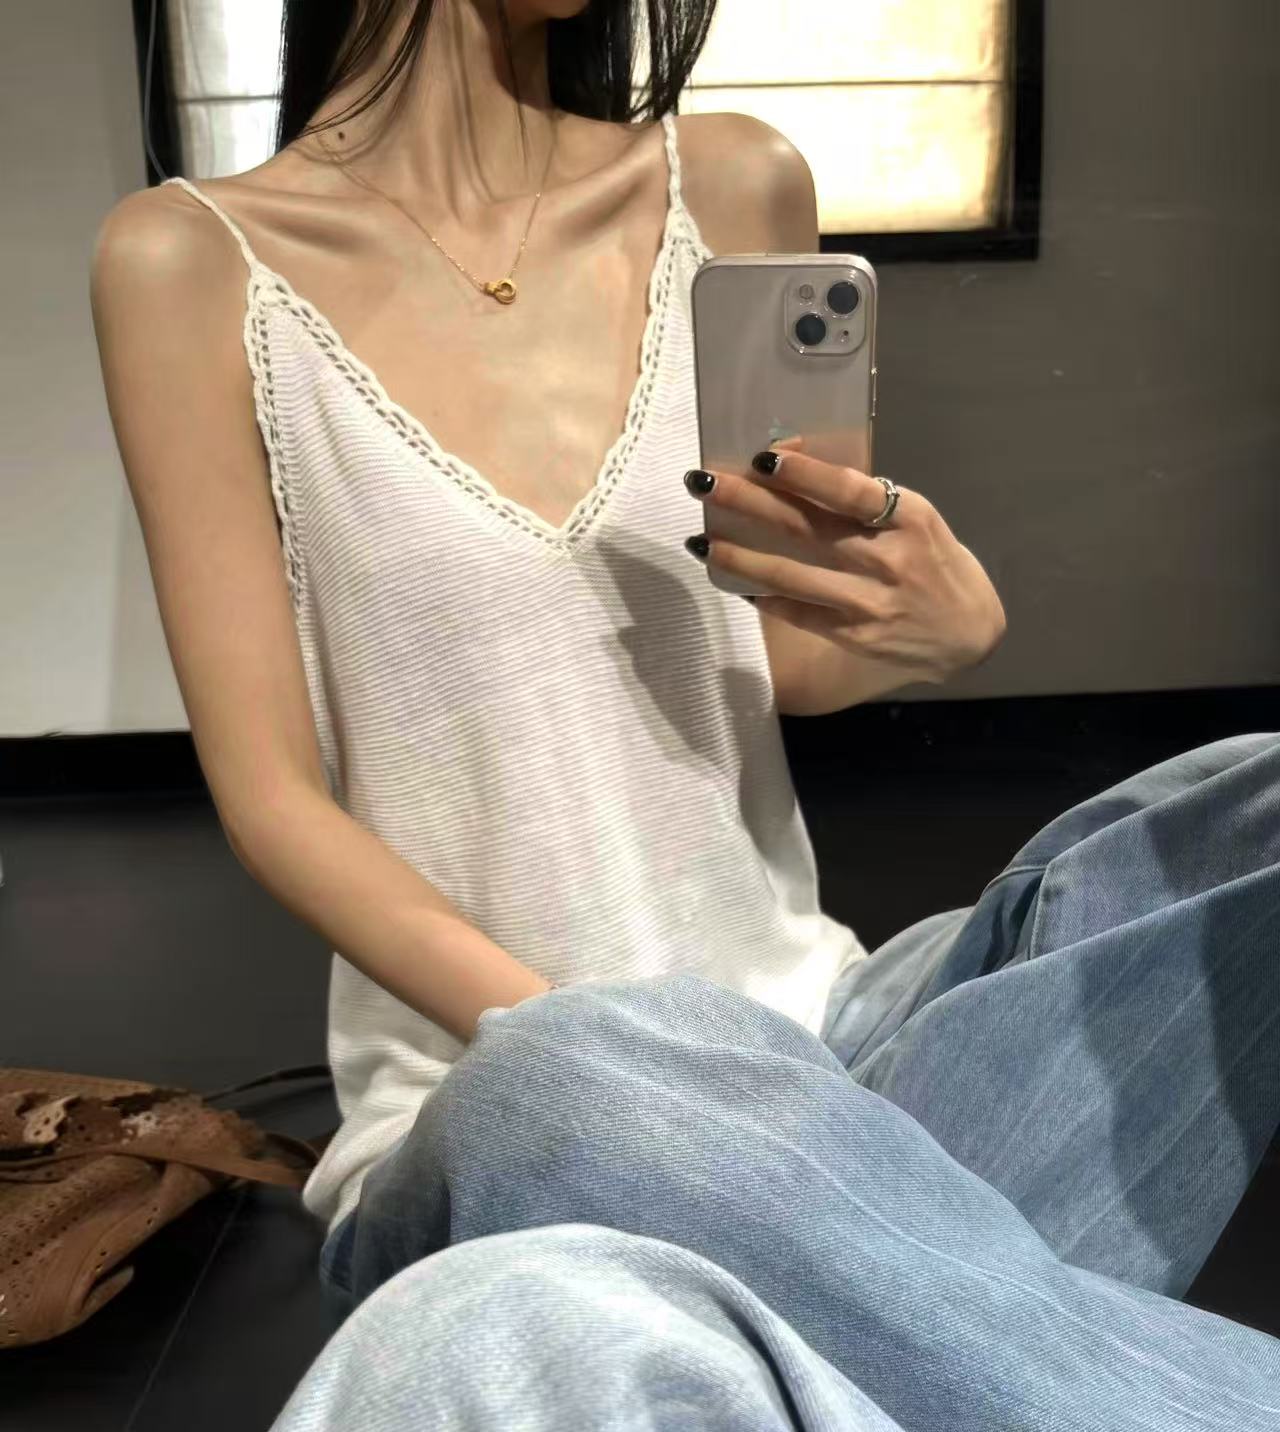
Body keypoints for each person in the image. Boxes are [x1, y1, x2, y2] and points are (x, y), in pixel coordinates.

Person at [89, 1, 1278, 1426]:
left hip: (833, 1036)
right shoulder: (187, 262)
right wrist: (632, 1057)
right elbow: (272, 798)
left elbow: (793, 659)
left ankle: (848, 1302)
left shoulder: (734, 181)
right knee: (582, 1081)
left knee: (1255, 805)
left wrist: (934, 635)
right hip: (512, 1094)